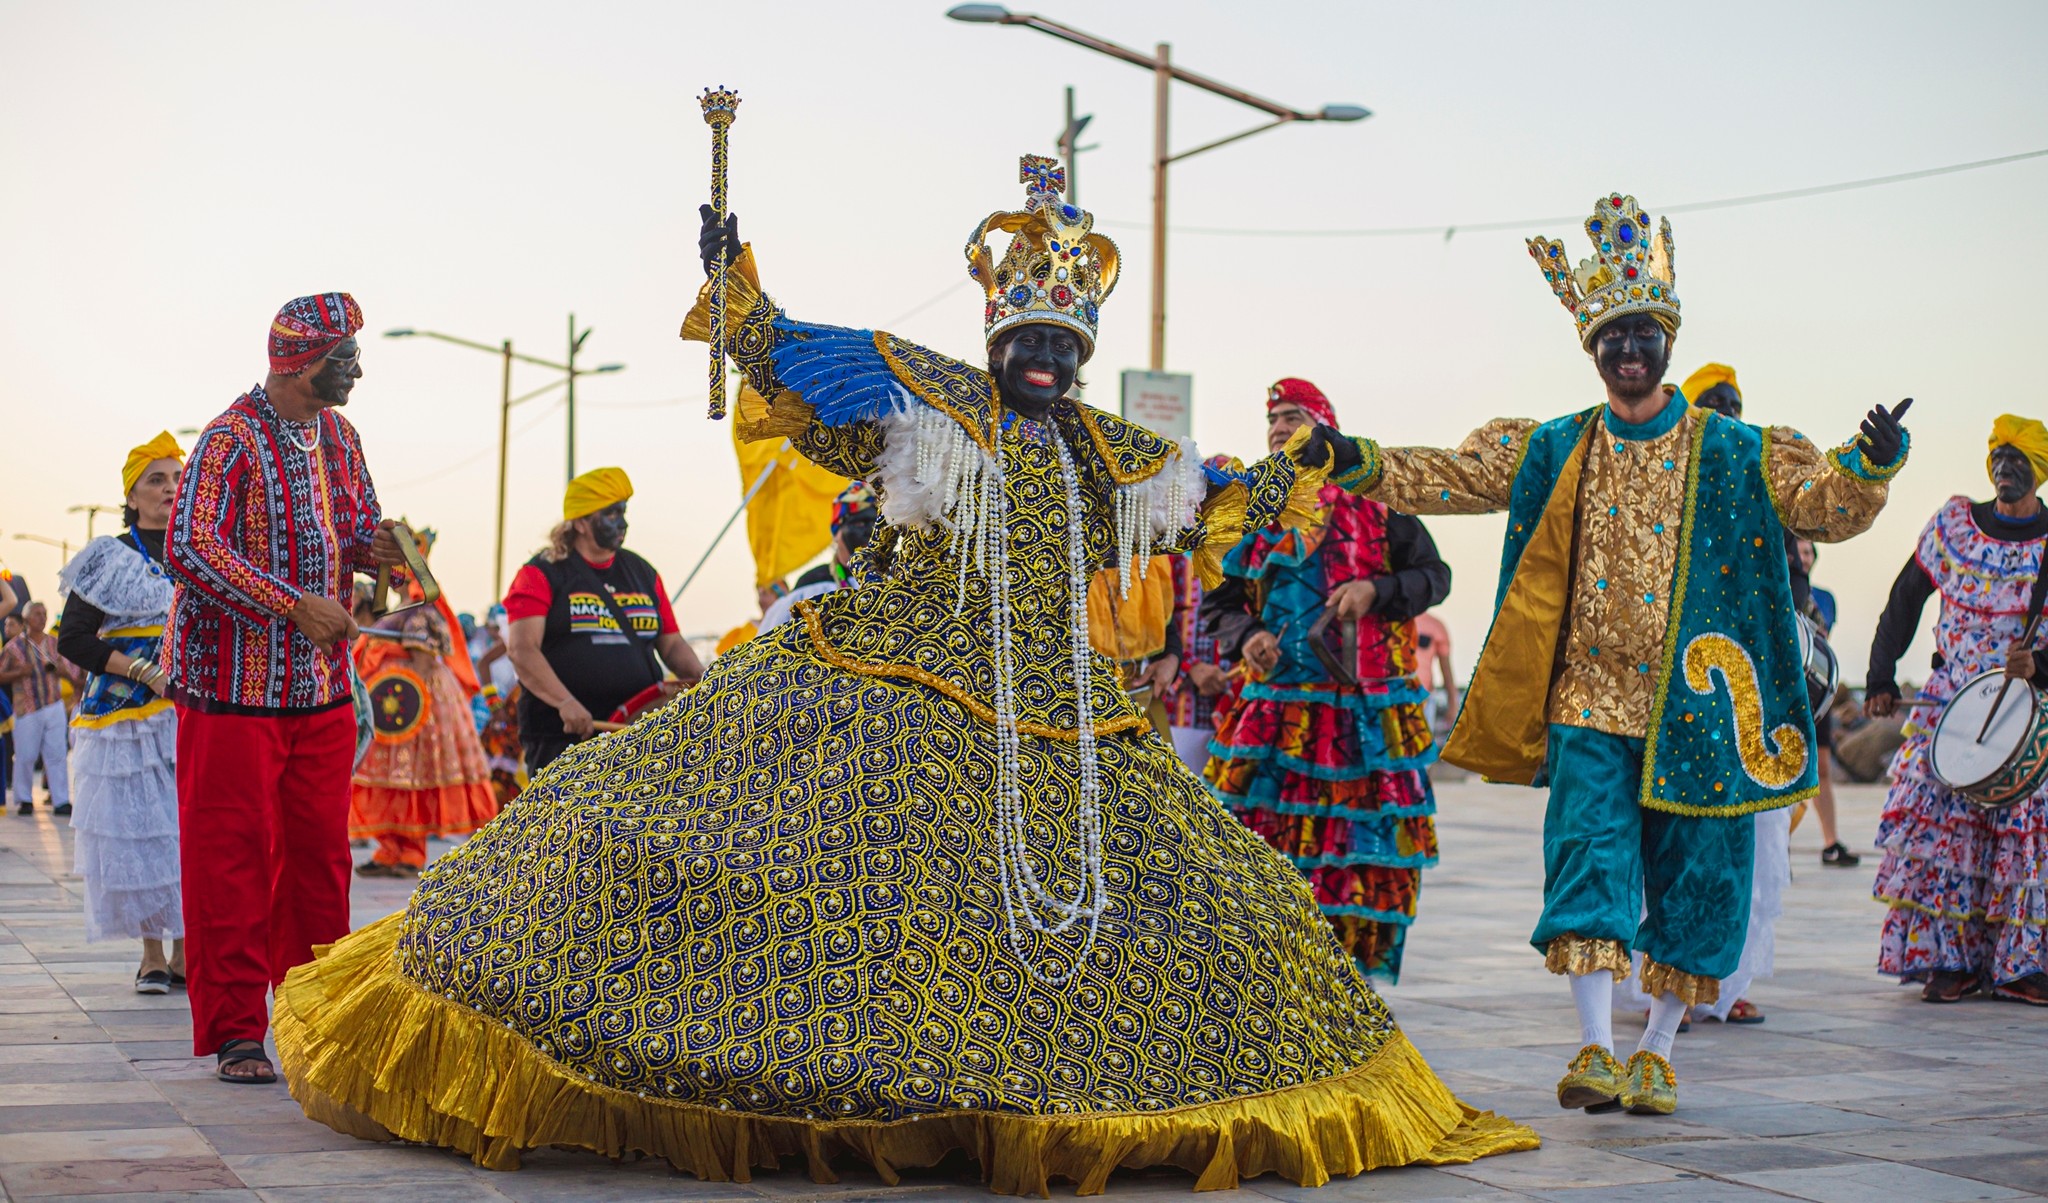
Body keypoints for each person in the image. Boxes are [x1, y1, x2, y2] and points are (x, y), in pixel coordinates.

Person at [271, 156, 1536, 1189]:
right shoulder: (923, 393)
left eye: (1061, 344)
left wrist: (1314, 461)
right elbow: (791, 357)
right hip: (888, 670)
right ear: (996, 337)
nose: (1043, 359)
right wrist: (735, 285)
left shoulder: (1112, 452)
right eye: (1027, 337)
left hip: (1063, 709)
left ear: (1082, 356)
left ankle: (1013, 1094)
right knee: (831, 880)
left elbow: (1223, 508)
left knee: (1196, 912)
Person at [1314, 193, 1907, 1114]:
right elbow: (1457, 474)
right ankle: (1594, 1046)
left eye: (1644, 334)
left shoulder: (1738, 449)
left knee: (1701, 876)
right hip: (1587, 700)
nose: (1629, 352)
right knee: (1586, 861)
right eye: (1612, 339)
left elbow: (1823, 504)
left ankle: (1660, 1049)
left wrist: (1869, 464)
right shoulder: (1555, 445)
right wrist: (1351, 456)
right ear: (1591, 351)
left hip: (1704, 704)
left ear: (1668, 342)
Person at [163, 292, 404, 1084]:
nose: (359, 370)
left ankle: (317, 1014)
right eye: (346, 358)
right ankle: (236, 1031)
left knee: (319, 859)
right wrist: (290, 604)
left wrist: (389, 552)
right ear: (302, 363)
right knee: (228, 859)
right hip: (231, 692)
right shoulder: (229, 438)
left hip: (323, 691)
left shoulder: (342, 435)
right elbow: (189, 545)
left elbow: (360, 522)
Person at [1203, 378, 1451, 982]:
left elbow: (1435, 577)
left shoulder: (1381, 501)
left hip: (1364, 717)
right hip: (1276, 714)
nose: (1280, 430)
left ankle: (1350, 984)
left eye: (1294, 417)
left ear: (1325, 428)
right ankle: (1270, 980)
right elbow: (1219, 602)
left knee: (1359, 851)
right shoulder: (1251, 508)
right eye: (1273, 421)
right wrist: (1248, 636)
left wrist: (1379, 590)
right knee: (1261, 850)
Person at [1864, 416, 2048, 1006]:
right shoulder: (1953, 526)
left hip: (2029, 721)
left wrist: (2039, 668)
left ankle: (2020, 966)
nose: (2004, 468)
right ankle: (1950, 962)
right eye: (1997, 457)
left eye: (2017, 460)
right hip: (1950, 713)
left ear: (2039, 471)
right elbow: (1904, 599)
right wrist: (1880, 676)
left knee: (2022, 847)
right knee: (1947, 844)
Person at [1689, 363, 1860, 869]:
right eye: (1715, 406)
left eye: (1734, 407)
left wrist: (1864, 468)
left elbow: (1796, 565)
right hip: (1682, 682)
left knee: (1752, 844)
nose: (1728, 416)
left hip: (1756, 676)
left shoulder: (1764, 482)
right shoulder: (1669, 484)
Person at [55, 433, 188, 993]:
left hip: (191, 710)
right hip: (125, 720)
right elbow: (73, 639)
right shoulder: (109, 557)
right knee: (139, 832)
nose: (169, 489)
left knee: (189, 828)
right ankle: (152, 953)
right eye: (156, 480)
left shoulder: (204, 551)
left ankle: (187, 951)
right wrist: (137, 670)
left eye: (177, 479)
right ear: (131, 496)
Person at [502, 468, 705, 774]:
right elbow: (522, 650)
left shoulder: (643, 572)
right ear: (582, 522)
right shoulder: (540, 573)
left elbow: (672, 643)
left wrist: (709, 681)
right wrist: (565, 702)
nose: (622, 522)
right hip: (566, 737)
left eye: (623, 512)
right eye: (610, 514)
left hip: (637, 735)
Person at [347, 530, 500, 878]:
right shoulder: (401, 609)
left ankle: (411, 853)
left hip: (414, 708)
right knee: (388, 779)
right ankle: (390, 850)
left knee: (410, 778)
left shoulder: (422, 610)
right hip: (393, 706)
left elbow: (422, 661)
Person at [759, 481, 878, 633]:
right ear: (837, 533)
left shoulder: (898, 577)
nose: (871, 531)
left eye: (876, 524)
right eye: (861, 523)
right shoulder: (813, 585)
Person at [0, 601, 81, 817]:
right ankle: (25, 799)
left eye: (44, 614)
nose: (42, 618)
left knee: (57, 754)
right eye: (37, 614)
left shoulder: (55, 644)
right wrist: (19, 673)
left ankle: (61, 800)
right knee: (26, 755)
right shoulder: (13, 647)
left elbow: (74, 675)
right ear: (26, 618)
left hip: (53, 705)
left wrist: (61, 671)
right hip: (27, 708)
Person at [1413, 612, 1458, 734]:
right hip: (1395, 695)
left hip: (1425, 697)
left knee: (1423, 745)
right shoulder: (1391, 620)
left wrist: (1453, 703)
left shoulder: (1436, 626)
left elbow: (1446, 668)